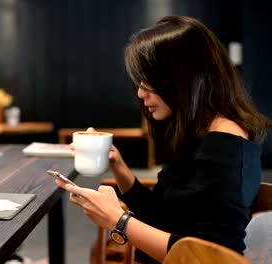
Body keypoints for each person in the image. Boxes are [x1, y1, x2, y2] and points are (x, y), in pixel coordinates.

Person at [55, 16, 271, 263]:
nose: (140, 92)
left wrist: (119, 220)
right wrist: (118, 166)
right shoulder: (204, 136)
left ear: (185, 77)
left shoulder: (225, 152)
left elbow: (211, 258)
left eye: (148, 81)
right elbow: (161, 213)